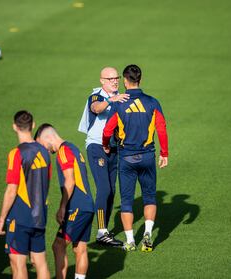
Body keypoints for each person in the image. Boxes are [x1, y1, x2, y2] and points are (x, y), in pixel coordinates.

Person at [102, 64, 169, 252]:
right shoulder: (152, 102)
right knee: (149, 197)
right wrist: (164, 153)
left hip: (126, 158)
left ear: (125, 80)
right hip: (147, 156)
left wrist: (106, 145)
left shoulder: (119, 103)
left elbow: (108, 130)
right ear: (140, 79)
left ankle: (130, 241)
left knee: (126, 201)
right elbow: (161, 129)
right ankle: (147, 233)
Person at [0, 111, 51, 279]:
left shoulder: (16, 153)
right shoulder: (45, 152)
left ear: (14, 127)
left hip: (21, 215)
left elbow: (12, 189)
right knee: (40, 262)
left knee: (18, 264)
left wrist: (1, 218)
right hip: (40, 215)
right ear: (33, 125)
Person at [78, 67, 129, 246]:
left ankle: (104, 230)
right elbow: (97, 108)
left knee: (111, 190)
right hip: (96, 147)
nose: (114, 81)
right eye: (110, 79)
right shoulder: (97, 96)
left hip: (114, 148)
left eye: (116, 78)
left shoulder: (120, 97)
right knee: (104, 188)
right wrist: (110, 99)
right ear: (102, 81)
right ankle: (101, 232)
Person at [35, 124, 94, 279]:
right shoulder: (73, 147)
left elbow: (70, 180)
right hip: (87, 205)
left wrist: (62, 207)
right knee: (79, 248)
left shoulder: (63, 150)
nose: (42, 150)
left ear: (48, 137)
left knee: (58, 245)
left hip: (77, 206)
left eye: (40, 144)